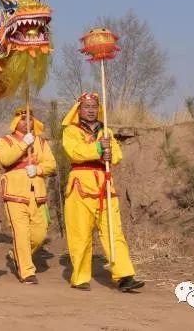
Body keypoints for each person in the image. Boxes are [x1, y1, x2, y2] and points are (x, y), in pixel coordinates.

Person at [62, 93, 144, 292]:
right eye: (87, 106)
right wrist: (99, 148)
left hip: (104, 185)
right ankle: (80, 277)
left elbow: (117, 155)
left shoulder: (106, 130)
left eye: (94, 106)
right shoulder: (71, 131)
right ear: (79, 110)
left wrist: (109, 153)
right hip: (80, 187)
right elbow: (75, 151)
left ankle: (124, 276)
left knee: (113, 231)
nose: (91, 110)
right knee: (80, 234)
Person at [0, 106, 57, 284]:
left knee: (39, 234)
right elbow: (6, 159)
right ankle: (27, 271)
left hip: (36, 192)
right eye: (23, 119)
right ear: (16, 121)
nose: (27, 122)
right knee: (21, 233)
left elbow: (51, 164)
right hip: (15, 193)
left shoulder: (41, 142)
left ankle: (16, 254)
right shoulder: (5, 141)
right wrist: (24, 144)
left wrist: (38, 169)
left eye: (30, 119)